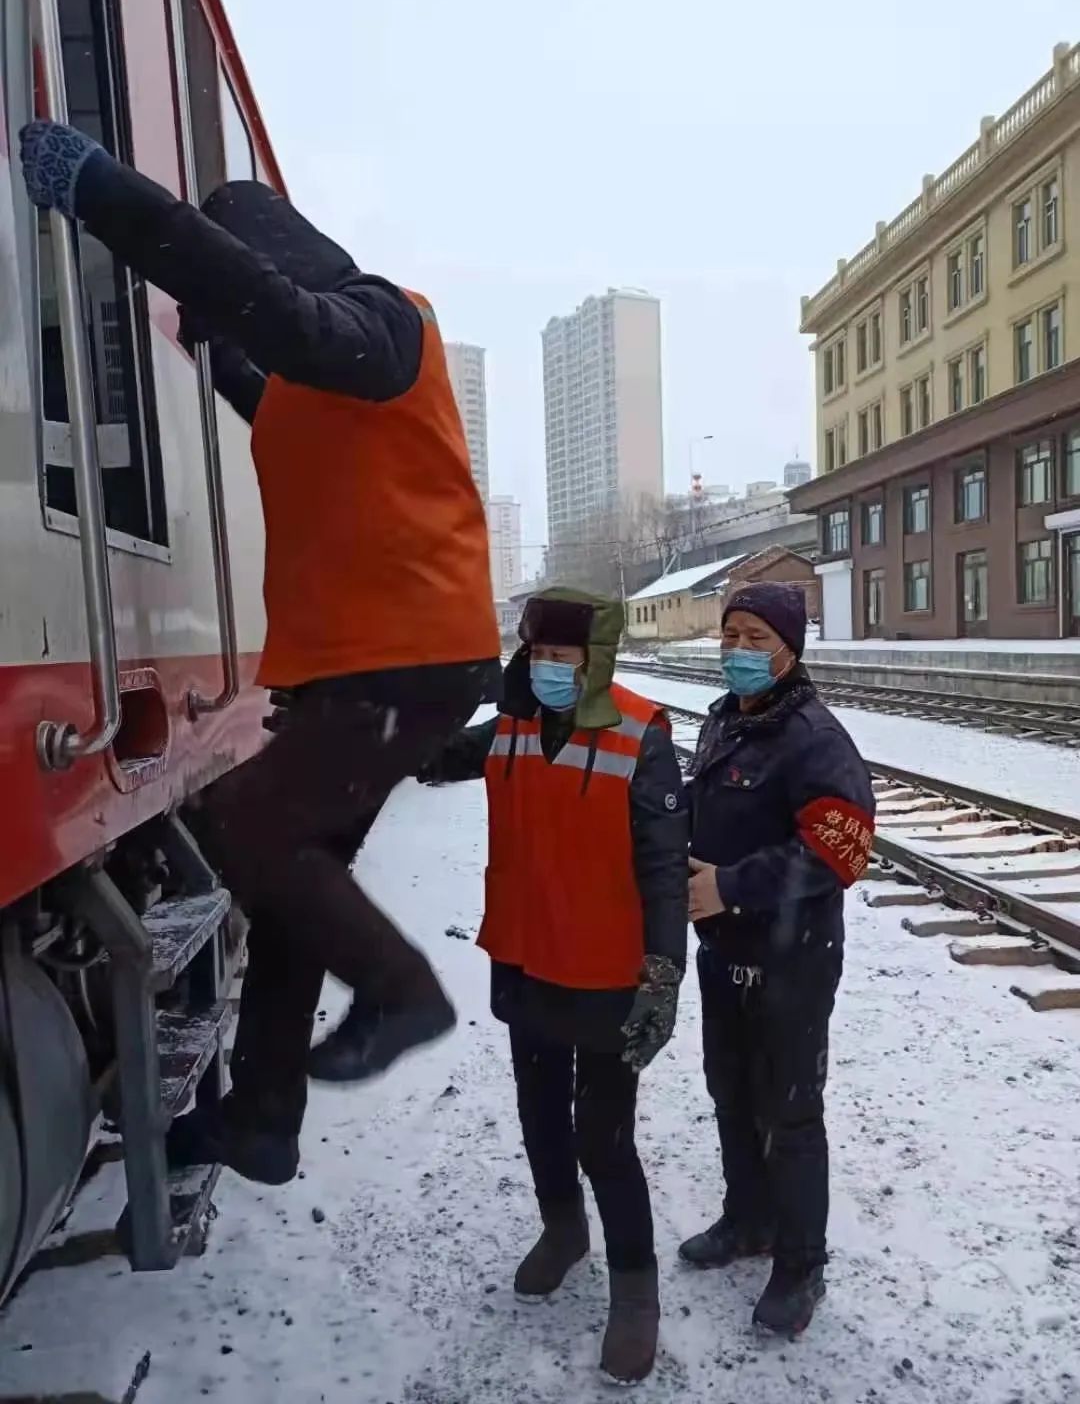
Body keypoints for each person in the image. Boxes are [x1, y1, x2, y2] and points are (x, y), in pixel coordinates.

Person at [19, 123, 501, 1183]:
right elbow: (260, 361)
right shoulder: (306, 385)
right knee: (292, 885)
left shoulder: (388, 321)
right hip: (364, 667)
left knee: (246, 825)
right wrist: (198, 333)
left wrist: (101, 193)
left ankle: (403, 991)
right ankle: (265, 1121)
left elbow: (278, 312)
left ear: (278, 252)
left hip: (408, 657)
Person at [420, 589, 688, 1383]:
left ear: (594, 662)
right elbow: (433, 758)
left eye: (562, 657)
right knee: (539, 1112)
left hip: (606, 972)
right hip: (526, 956)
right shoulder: (512, 725)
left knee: (604, 1136)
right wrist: (344, 733)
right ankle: (564, 1230)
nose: (546, 669)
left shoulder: (640, 736)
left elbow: (665, 870)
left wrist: (663, 974)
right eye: (537, 655)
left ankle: (635, 1292)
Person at [678, 582, 874, 1336]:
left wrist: (730, 886)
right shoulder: (725, 720)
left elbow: (840, 850)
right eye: (730, 635)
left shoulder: (815, 739)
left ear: (790, 649)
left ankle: (800, 1266)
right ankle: (748, 1220)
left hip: (794, 959)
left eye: (756, 638)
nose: (739, 651)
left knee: (790, 1112)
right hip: (723, 951)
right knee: (730, 1093)